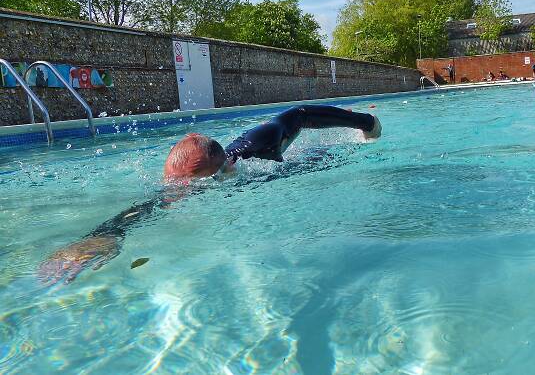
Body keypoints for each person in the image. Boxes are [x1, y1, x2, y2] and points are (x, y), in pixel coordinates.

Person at [37, 105, 382, 285]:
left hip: (274, 164)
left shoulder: (259, 145)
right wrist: (103, 236)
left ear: (226, 169)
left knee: (317, 161)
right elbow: (151, 207)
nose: (180, 194)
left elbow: (300, 114)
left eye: (189, 187)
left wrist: (365, 123)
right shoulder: (180, 182)